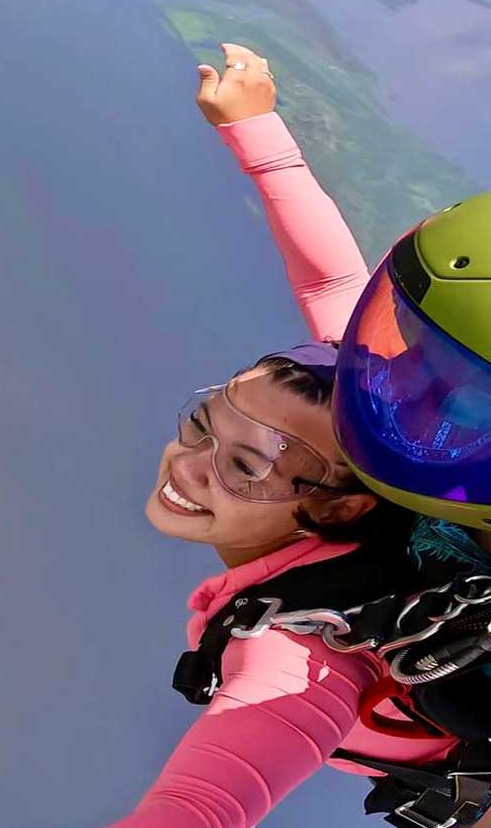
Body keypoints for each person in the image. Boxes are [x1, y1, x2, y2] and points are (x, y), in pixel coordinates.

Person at [112, 43, 491, 827]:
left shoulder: (308, 643)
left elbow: (206, 799)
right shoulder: (376, 418)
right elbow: (333, 285)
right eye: (204, 423)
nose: (189, 463)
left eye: (249, 463)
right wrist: (257, 132)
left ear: (343, 506)